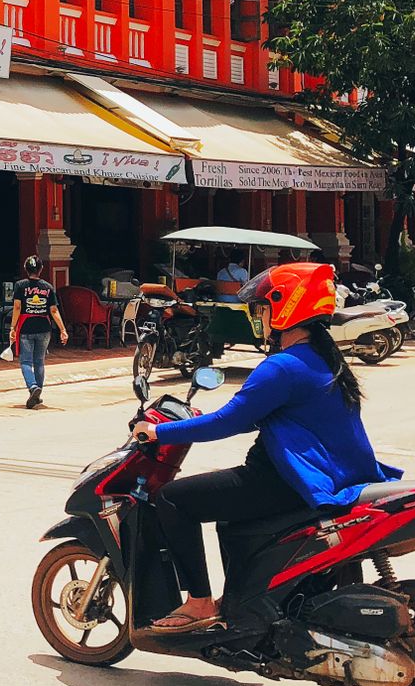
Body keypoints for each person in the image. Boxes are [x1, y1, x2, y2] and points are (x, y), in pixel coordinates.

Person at [132, 261, 398, 633]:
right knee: (228, 517)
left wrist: (160, 432)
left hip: (289, 480)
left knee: (174, 500)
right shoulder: (325, 358)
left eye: (263, 307)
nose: (259, 315)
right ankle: (243, 600)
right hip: (333, 474)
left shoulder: (284, 366)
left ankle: (197, 603)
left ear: (286, 307)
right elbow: (264, 416)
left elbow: (229, 421)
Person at [9, 255, 68, 409]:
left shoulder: (20, 286)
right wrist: (62, 329)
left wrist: (12, 327)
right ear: (41, 269)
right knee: (39, 362)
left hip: (26, 327)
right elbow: (53, 310)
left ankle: (33, 387)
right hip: (44, 328)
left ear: (26, 269)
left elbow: (17, 307)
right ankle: (36, 396)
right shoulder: (48, 287)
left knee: (26, 362)